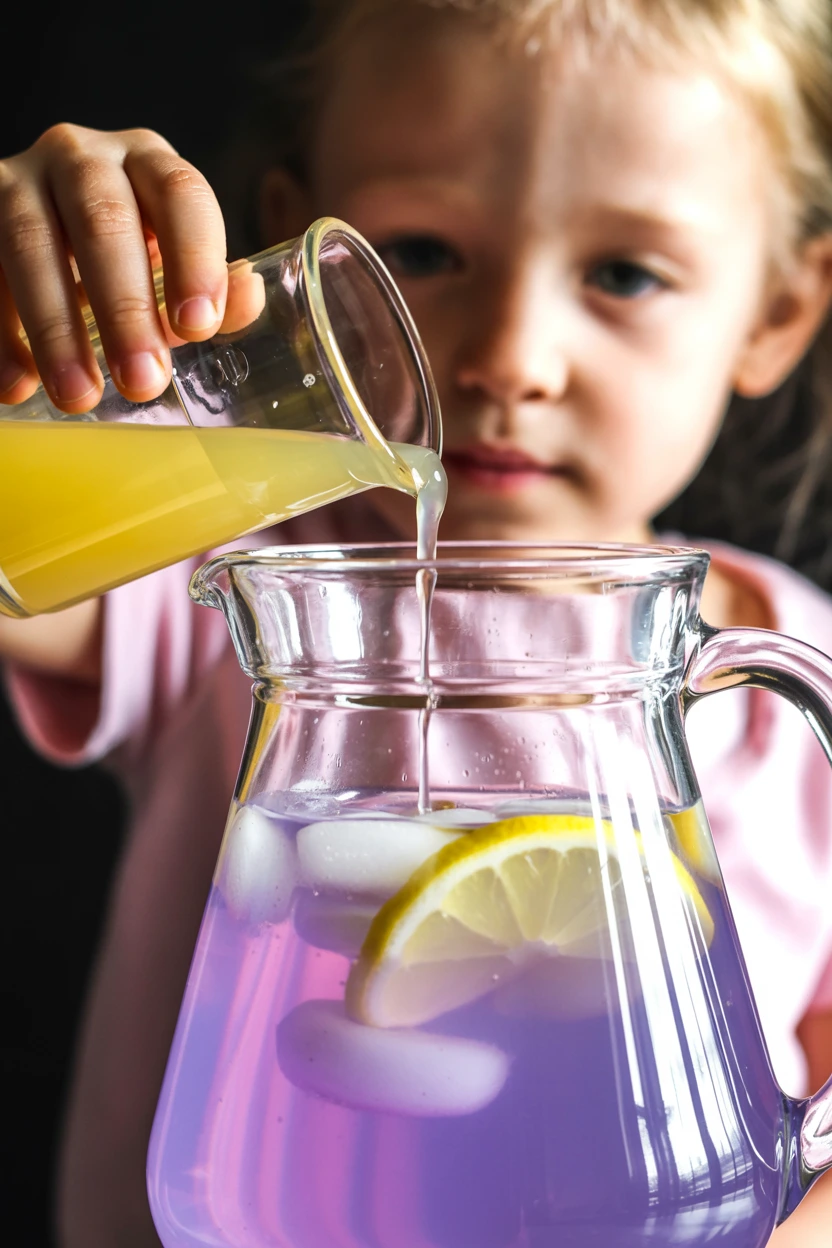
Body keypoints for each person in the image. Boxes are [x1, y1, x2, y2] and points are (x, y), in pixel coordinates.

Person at [1, 0, 832, 1243]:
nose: (509, 356)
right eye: (427, 251)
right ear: (293, 252)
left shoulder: (785, 661)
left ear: (775, 311)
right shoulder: (215, 580)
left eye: (623, 273)